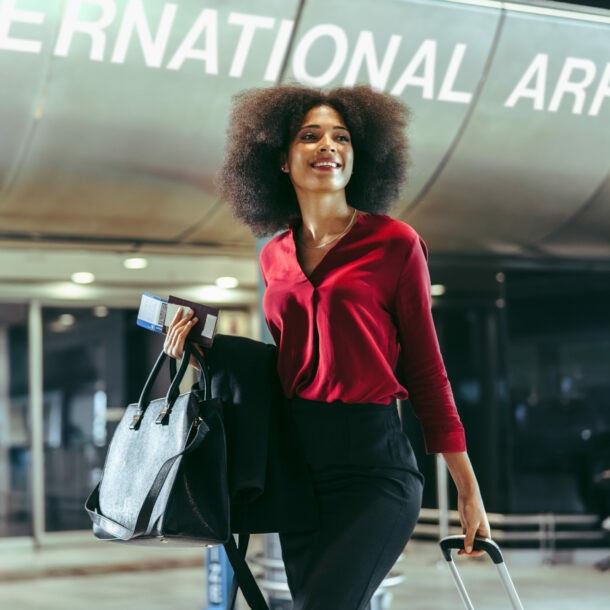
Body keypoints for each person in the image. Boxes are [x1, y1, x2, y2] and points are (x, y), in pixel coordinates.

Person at [164, 84, 490, 610]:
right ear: (281, 160)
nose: (327, 146)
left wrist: (467, 490)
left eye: (341, 137)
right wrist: (209, 350)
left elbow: (428, 372)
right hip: (297, 472)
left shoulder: (395, 244)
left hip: (374, 469)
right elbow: (288, 366)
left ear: (359, 156)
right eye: (310, 136)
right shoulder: (274, 256)